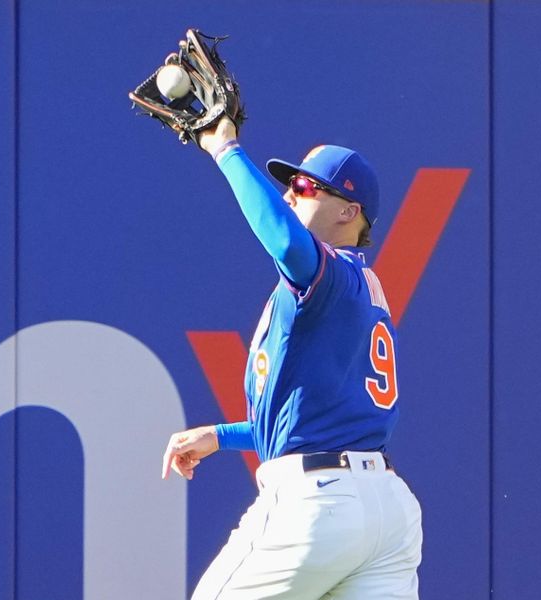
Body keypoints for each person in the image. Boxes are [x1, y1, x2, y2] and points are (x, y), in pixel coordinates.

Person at [162, 117, 423, 599]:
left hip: (321, 503)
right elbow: (309, 421)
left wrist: (225, 150)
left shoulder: (331, 279)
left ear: (349, 211)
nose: (290, 194)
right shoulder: (363, 290)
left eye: (305, 186)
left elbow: (283, 240)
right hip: (387, 511)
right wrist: (220, 436)